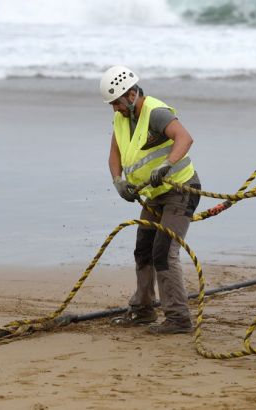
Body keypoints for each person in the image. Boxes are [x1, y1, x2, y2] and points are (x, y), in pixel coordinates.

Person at [101, 65, 201, 334]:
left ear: (131, 95)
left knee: (163, 253)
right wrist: (118, 182)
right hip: (153, 197)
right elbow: (115, 154)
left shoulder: (155, 112)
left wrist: (167, 165)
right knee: (143, 250)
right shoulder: (122, 120)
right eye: (112, 105)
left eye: (117, 103)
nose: (115, 109)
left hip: (181, 190)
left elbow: (184, 138)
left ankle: (178, 318)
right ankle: (143, 311)